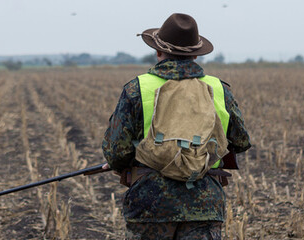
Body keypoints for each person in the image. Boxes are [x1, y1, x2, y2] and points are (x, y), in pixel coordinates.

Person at [101, 13, 251, 239]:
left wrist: (121, 164)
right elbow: (240, 142)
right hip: (205, 206)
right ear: (195, 55)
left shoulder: (136, 88)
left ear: (158, 51)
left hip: (150, 204)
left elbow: (117, 151)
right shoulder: (218, 88)